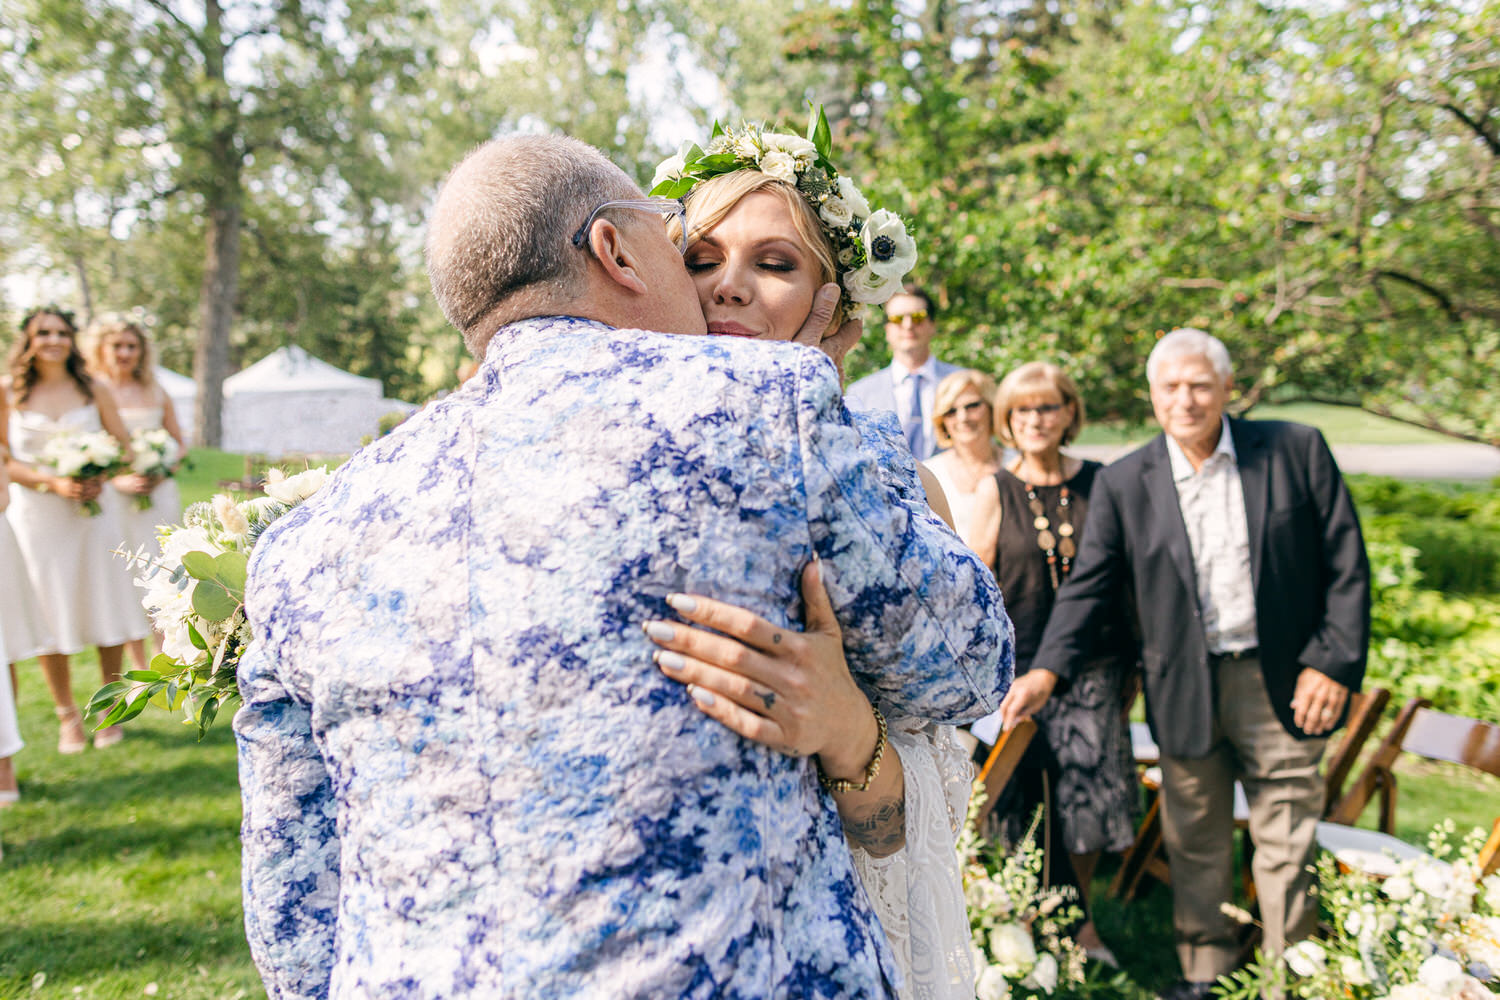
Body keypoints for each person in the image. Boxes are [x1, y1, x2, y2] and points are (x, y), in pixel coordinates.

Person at [234, 133, 1010, 999]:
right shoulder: (771, 406)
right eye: (683, 242)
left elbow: (295, 922)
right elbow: (968, 666)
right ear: (617, 250)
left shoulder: (305, 539)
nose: (715, 284)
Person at [643, 138, 985, 998]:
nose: (729, 285)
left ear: (829, 304)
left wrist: (843, 728)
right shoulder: (617, 460)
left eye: (774, 262)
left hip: (836, 929)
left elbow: (909, 825)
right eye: (702, 257)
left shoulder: (901, 488)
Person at [1000, 329, 1371, 1000]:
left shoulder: (1294, 450)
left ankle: (1289, 981)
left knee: (1284, 834)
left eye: (1200, 385)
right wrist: (1046, 671)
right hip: (1183, 685)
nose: (1186, 400)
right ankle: (1205, 974)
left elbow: (1346, 563)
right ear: (1152, 396)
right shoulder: (1126, 480)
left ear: (1228, 389)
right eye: (1170, 387)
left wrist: (1334, 664)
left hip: (1282, 681)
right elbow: (1088, 586)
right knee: (1193, 834)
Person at [963, 361, 1139, 964]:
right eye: (1021, 411)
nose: (1034, 420)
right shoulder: (995, 489)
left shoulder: (1104, 483)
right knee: (1020, 799)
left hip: (1095, 664)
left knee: (1086, 795)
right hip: (1018, 667)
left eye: (1047, 407)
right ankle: (1026, 921)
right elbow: (974, 587)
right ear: (1007, 421)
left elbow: (1125, 578)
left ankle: (1080, 921)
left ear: (1069, 413)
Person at [5, 307, 145, 753]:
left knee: (104, 606)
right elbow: (4, 460)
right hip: (38, 519)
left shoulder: (94, 389)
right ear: (27, 342)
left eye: (62, 332)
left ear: (72, 340)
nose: (53, 340)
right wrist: (52, 481)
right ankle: (67, 714)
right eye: (43, 333)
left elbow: (124, 448)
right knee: (49, 613)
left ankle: (108, 706)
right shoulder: (8, 392)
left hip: (91, 515)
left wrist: (97, 474)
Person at [85, 315, 186, 673]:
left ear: (142, 351)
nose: (125, 352)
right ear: (101, 349)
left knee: (163, 567)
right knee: (124, 570)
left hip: (158, 495)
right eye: (117, 346)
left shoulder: (156, 390)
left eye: (132, 346)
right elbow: (90, 449)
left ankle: (168, 648)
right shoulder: (92, 393)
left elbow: (181, 445)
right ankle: (136, 656)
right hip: (116, 497)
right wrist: (118, 482)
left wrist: (161, 471)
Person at [845, 285, 960, 460]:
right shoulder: (860, 393)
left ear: (932, 325)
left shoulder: (961, 383)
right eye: (898, 319)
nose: (908, 325)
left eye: (917, 317)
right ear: (887, 330)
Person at [923, 369, 1003, 541]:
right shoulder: (928, 473)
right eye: (951, 411)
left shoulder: (1017, 464)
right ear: (941, 420)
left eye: (972, 406)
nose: (963, 417)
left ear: (991, 408)